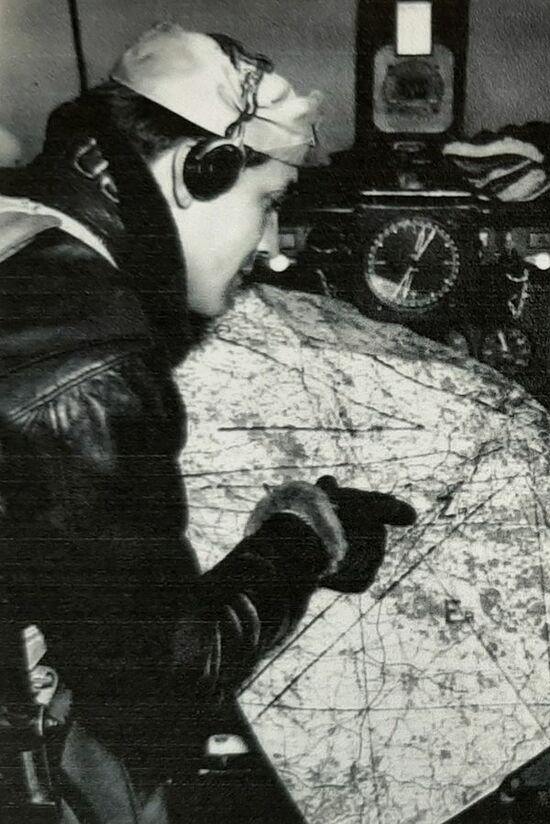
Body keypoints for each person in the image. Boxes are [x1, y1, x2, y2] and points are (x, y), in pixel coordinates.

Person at [0, 24, 415, 824]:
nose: (267, 245)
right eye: (268, 203)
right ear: (201, 169)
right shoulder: (89, 356)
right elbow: (159, 688)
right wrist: (305, 536)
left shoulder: (19, 224)